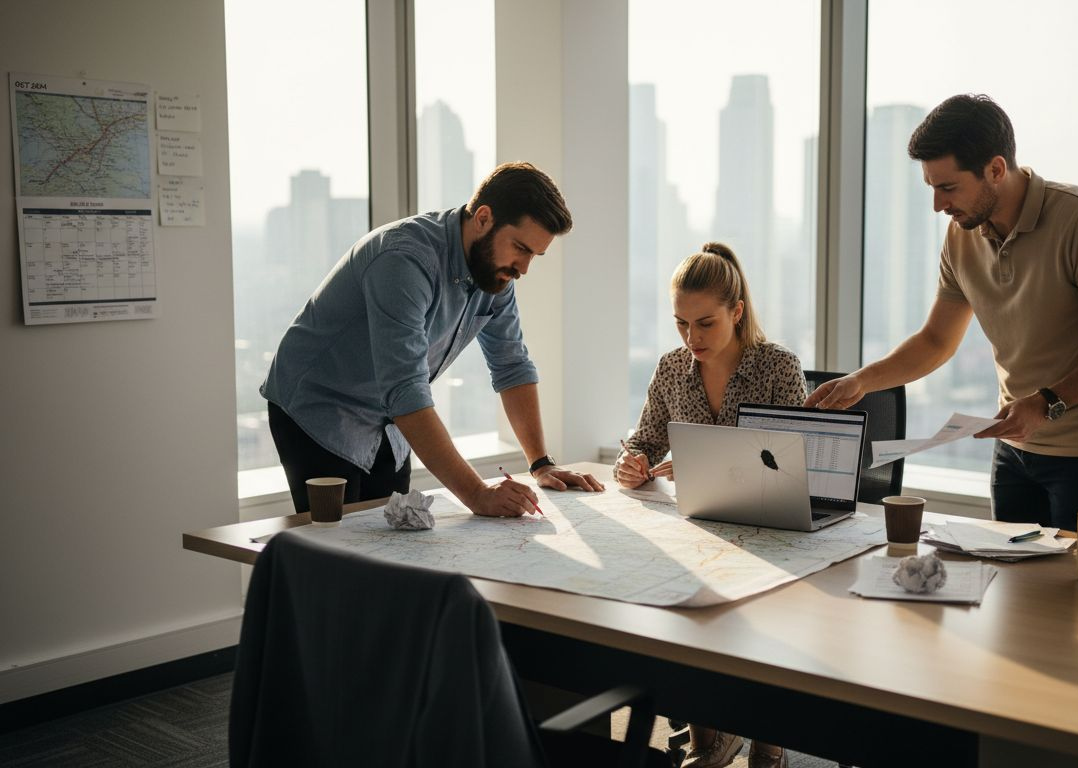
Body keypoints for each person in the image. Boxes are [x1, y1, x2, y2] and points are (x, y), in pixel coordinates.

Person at [807, 94, 1078, 532]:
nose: (938, 205)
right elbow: (935, 341)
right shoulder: (960, 236)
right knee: (1015, 591)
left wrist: (1045, 404)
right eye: (931, 188)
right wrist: (863, 381)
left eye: (948, 188)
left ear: (996, 170)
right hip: (1013, 447)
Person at [261, 162, 603, 517]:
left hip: (387, 419)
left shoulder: (497, 273)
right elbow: (405, 390)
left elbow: (512, 364)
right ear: (484, 218)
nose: (524, 268)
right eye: (520, 247)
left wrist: (541, 464)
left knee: (396, 536)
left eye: (534, 254)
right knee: (343, 549)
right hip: (320, 408)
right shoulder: (404, 259)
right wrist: (477, 494)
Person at [615, 241, 801, 768]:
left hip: (768, 528)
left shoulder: (778, 366)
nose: (691, 338)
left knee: (763, 621)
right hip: (699, 527)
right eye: (680, 324)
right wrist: (632, 461)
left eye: (705, 323)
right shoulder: (672, 368)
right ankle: (710, 736)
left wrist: (708, 465)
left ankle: (769, 742)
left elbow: (787, 463)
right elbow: (646, 439)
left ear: (736, 312)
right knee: (688, 611)